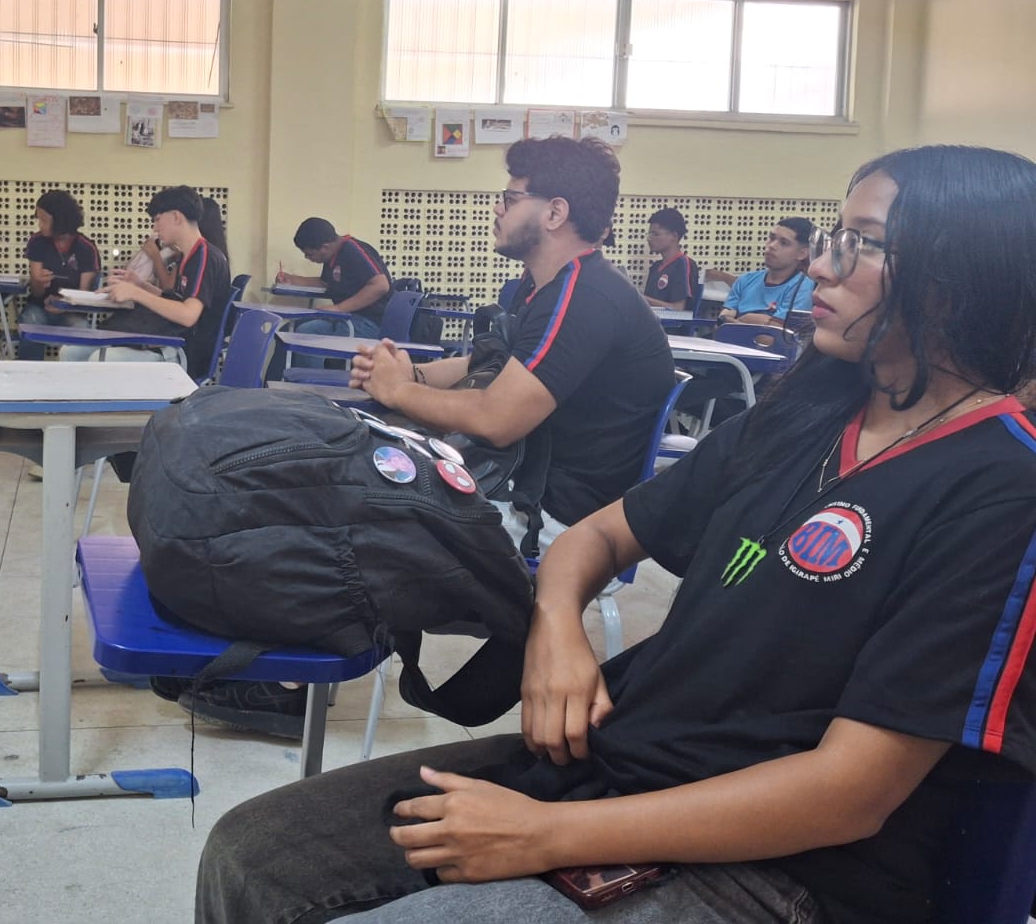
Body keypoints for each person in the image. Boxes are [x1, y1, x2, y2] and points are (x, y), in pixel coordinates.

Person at [196, 144, 1036, 924]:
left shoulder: (1001, 487)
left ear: (952, 283)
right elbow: (596, 537)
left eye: (860, 245)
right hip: (623, 764)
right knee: (251, 855)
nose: (821, 264)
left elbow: (849, 793)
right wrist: (557, 628)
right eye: (832, 238)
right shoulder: (812, 412)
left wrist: (545, 837)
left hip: (781, 866)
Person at [173, 137, 674, 737]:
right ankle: (251, 652)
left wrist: (399, 393)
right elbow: (480, 367)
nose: (498, 207)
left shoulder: (585, 296)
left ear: (555, 212)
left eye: (510, 197)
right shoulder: (538, 290)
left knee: (335, 507)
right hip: (508, 481)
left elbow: (498, 417)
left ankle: (282, 685)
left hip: (556, 521)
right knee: (314, 474)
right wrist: (404, 372)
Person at [58, 185, 231, 373]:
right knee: (71, 353)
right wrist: (141, 285)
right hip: (169, 340)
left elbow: (187, 315)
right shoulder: (189, 255)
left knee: (101, 360)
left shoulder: (205, 257)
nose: (155, 228)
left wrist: (136, 293)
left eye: (157, 220)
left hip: (184, 352)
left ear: (176, 217)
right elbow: (175, 301)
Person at [275, 218, 393, 368]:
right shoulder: (333, 256)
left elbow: (380, 285)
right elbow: (326, 283)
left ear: (325, 247)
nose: (308, 258)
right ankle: (280, 383)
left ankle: (310, 387)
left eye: (310, 255)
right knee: (291, 331)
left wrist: (339, 308)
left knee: (308, 336)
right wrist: (292, 279)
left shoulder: (353, 251)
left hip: (369, 323)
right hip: (349, 318)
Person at [15, 190, 100, 361]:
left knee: (81, 330)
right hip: (40, 306)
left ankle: (74, 382)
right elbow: (37, 292)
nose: (40, 225)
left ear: (60, 221)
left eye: (44, 220)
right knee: (30, 323)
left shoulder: (86, 248)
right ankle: (28, 377)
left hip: (73, 311)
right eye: (38, 219)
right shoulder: (37, 242)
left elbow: (85, 298)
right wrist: (38, 282)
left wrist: (63, 305)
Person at [717, 218, 816, 326]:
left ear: (802, 253)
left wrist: (737, 322)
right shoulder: (745, 280)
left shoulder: (803, 287)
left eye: (784, 243)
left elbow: (774, 336)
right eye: (771, 238)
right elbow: (721, 323)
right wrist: (764, 321)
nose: (772, 246)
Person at [642, 207, 700, 311]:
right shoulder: (655, 267)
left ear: (674, 236)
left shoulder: (683, 264)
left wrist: (641, 298)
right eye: (649, 234)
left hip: (670, 327)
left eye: (655, 234)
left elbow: (678, 308)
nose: (649, 239)